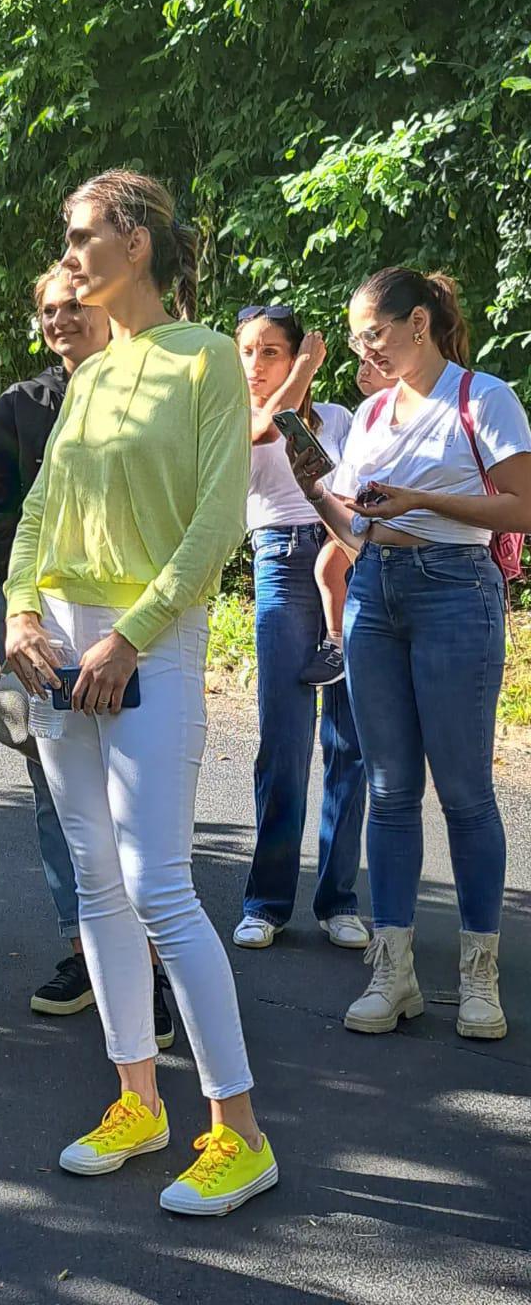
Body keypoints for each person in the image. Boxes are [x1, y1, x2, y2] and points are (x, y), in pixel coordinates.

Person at [4, 169, 276, 1217]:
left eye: (83, 236)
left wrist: (129, 637)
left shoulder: (206, 359)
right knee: (95, 882)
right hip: (59, 641)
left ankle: (240, 1134)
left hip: (145, 644)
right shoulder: (89, 373)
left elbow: (218, 522)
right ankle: (138, 1102)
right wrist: (19, 613)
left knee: (159, 885)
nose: (70, 256)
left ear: (138, 242)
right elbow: (39, 509)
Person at [287, 267, 531, 1040]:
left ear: (418, 323)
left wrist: (421, 499)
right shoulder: (370, 412)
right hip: (374, 592)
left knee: (464, 792)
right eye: (356, 339)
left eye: (374, 335)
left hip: (456, 589)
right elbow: (358, 532)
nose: (364, 351)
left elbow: (523, 506)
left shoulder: (483, 398)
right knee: (389, 789)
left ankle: (479, 979)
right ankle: (393, 974)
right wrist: (315, 489)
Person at [0, 267, 176, 1045]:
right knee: (55, 793)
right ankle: (85, 952)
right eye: (49, 310)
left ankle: (151, 965)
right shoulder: (22, 405)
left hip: (132, 620)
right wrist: (30, 610)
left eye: (74, 305)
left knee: (137, 791)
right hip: (40, 621)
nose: (61, 319)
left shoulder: (152, 390)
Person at [230, 305, 368, 953]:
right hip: (281, 564)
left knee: (349, 741)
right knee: (284, 742)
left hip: (346, 559)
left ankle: (338, 900)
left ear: (294, 355)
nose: (255, 366)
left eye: (271, 352)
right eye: (247, 352)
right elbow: (265, 429)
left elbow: (363, 495)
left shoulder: (340, 419)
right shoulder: (236, 419)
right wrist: (304, 369)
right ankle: (267, 901)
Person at [304, 350, 400, 686]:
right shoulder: (365, 415)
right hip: (356, 519)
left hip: (390, 528)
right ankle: (338, 641)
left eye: (376, 363)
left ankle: (338, 641)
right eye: (361, 362)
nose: (364, 370)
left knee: (329, 567)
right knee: (329, 567)